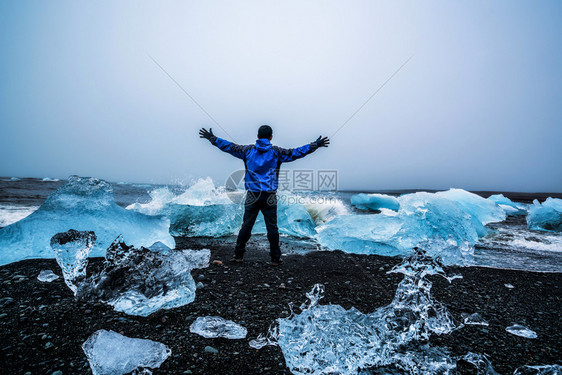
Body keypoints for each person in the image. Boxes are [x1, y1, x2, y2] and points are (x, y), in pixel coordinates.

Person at [199, 125, 329, 265]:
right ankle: (275, 258)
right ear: (271, 137)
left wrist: (212, 138)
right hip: (269, 195)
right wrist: (315, 145)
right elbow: (296, 153)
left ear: (257, 136)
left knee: (246, 227)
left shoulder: (247, 151)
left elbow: (229, 147)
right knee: (272, 228)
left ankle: (238, 255)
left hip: (252, 195)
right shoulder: (276, 152)